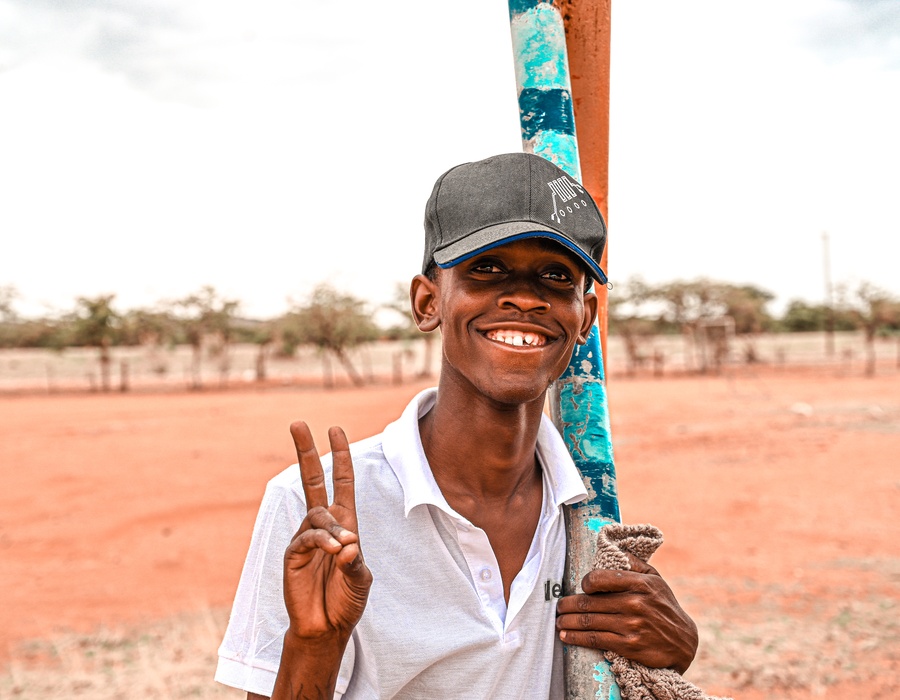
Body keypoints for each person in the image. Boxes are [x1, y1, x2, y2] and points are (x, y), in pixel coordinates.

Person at [216, 153, 698, 699]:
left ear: (584, 317)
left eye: (556, 276)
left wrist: (676, 649)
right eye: (486, 269)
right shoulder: (319, 508)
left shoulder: (585, 511)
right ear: (428, 302)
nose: (525, 296)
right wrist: (315, 645)